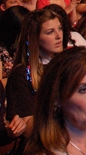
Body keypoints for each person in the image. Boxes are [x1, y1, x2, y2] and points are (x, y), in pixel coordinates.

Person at [6, 9, 65, 138]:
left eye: (60, 28)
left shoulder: (68, 63)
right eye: (50, 32)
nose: (59, 35)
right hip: (43, 143)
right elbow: (27, 127)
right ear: (35, 38)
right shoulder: (22, 74)